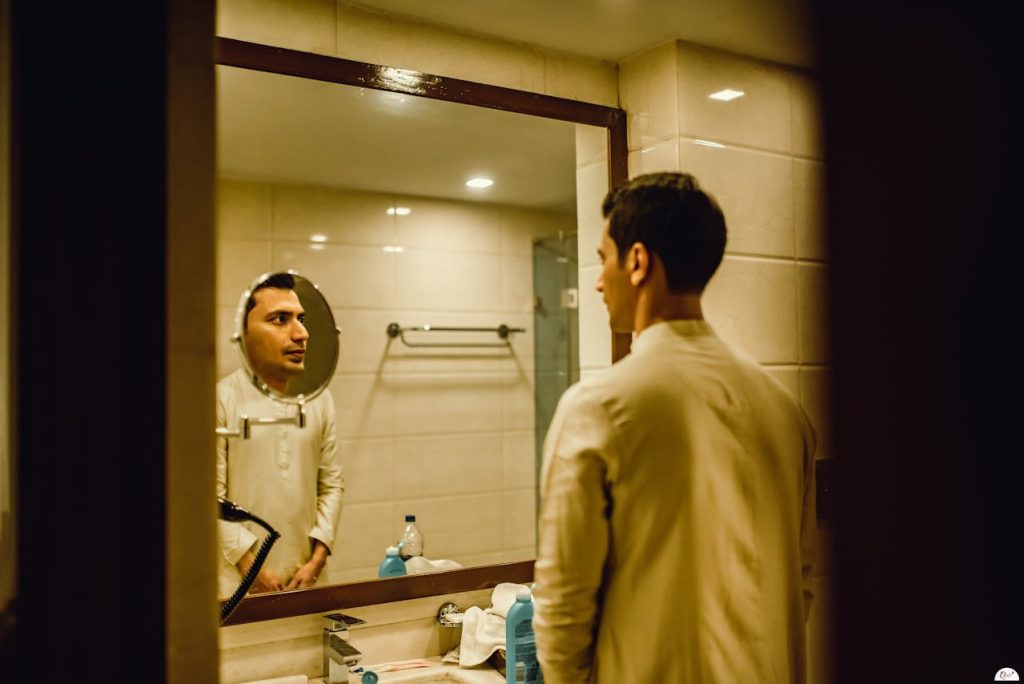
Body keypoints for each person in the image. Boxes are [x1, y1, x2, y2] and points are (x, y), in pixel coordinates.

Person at [532, 173, 816, 683]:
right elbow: (803, 583)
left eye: (603, 259)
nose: (598, 281)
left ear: (638, 262)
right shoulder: (784, 410)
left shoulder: (597, 409)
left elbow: (562, 608)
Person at [217, 272, 343, 597]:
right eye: (280, 319)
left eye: (300, 319)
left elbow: (331, 485)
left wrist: (317, 559)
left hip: (308, 581)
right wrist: (250, 566)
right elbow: (209, 499)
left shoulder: (319, 400)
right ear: (244, 334)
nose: (301, 334)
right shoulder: (221, 399)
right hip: (236, 588)